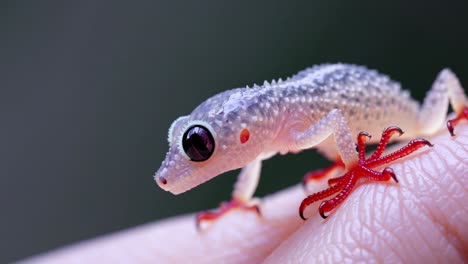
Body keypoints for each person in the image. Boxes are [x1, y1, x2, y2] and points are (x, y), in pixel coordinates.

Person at [25, 124, 468, 263]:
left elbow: (334, 118)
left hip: (396, 123)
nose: (168, 175)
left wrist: (355, 166)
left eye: (198, 147)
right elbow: (251, 156)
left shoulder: (281, 127)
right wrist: (241, 200)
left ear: (239, 131)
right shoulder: (258, 137)